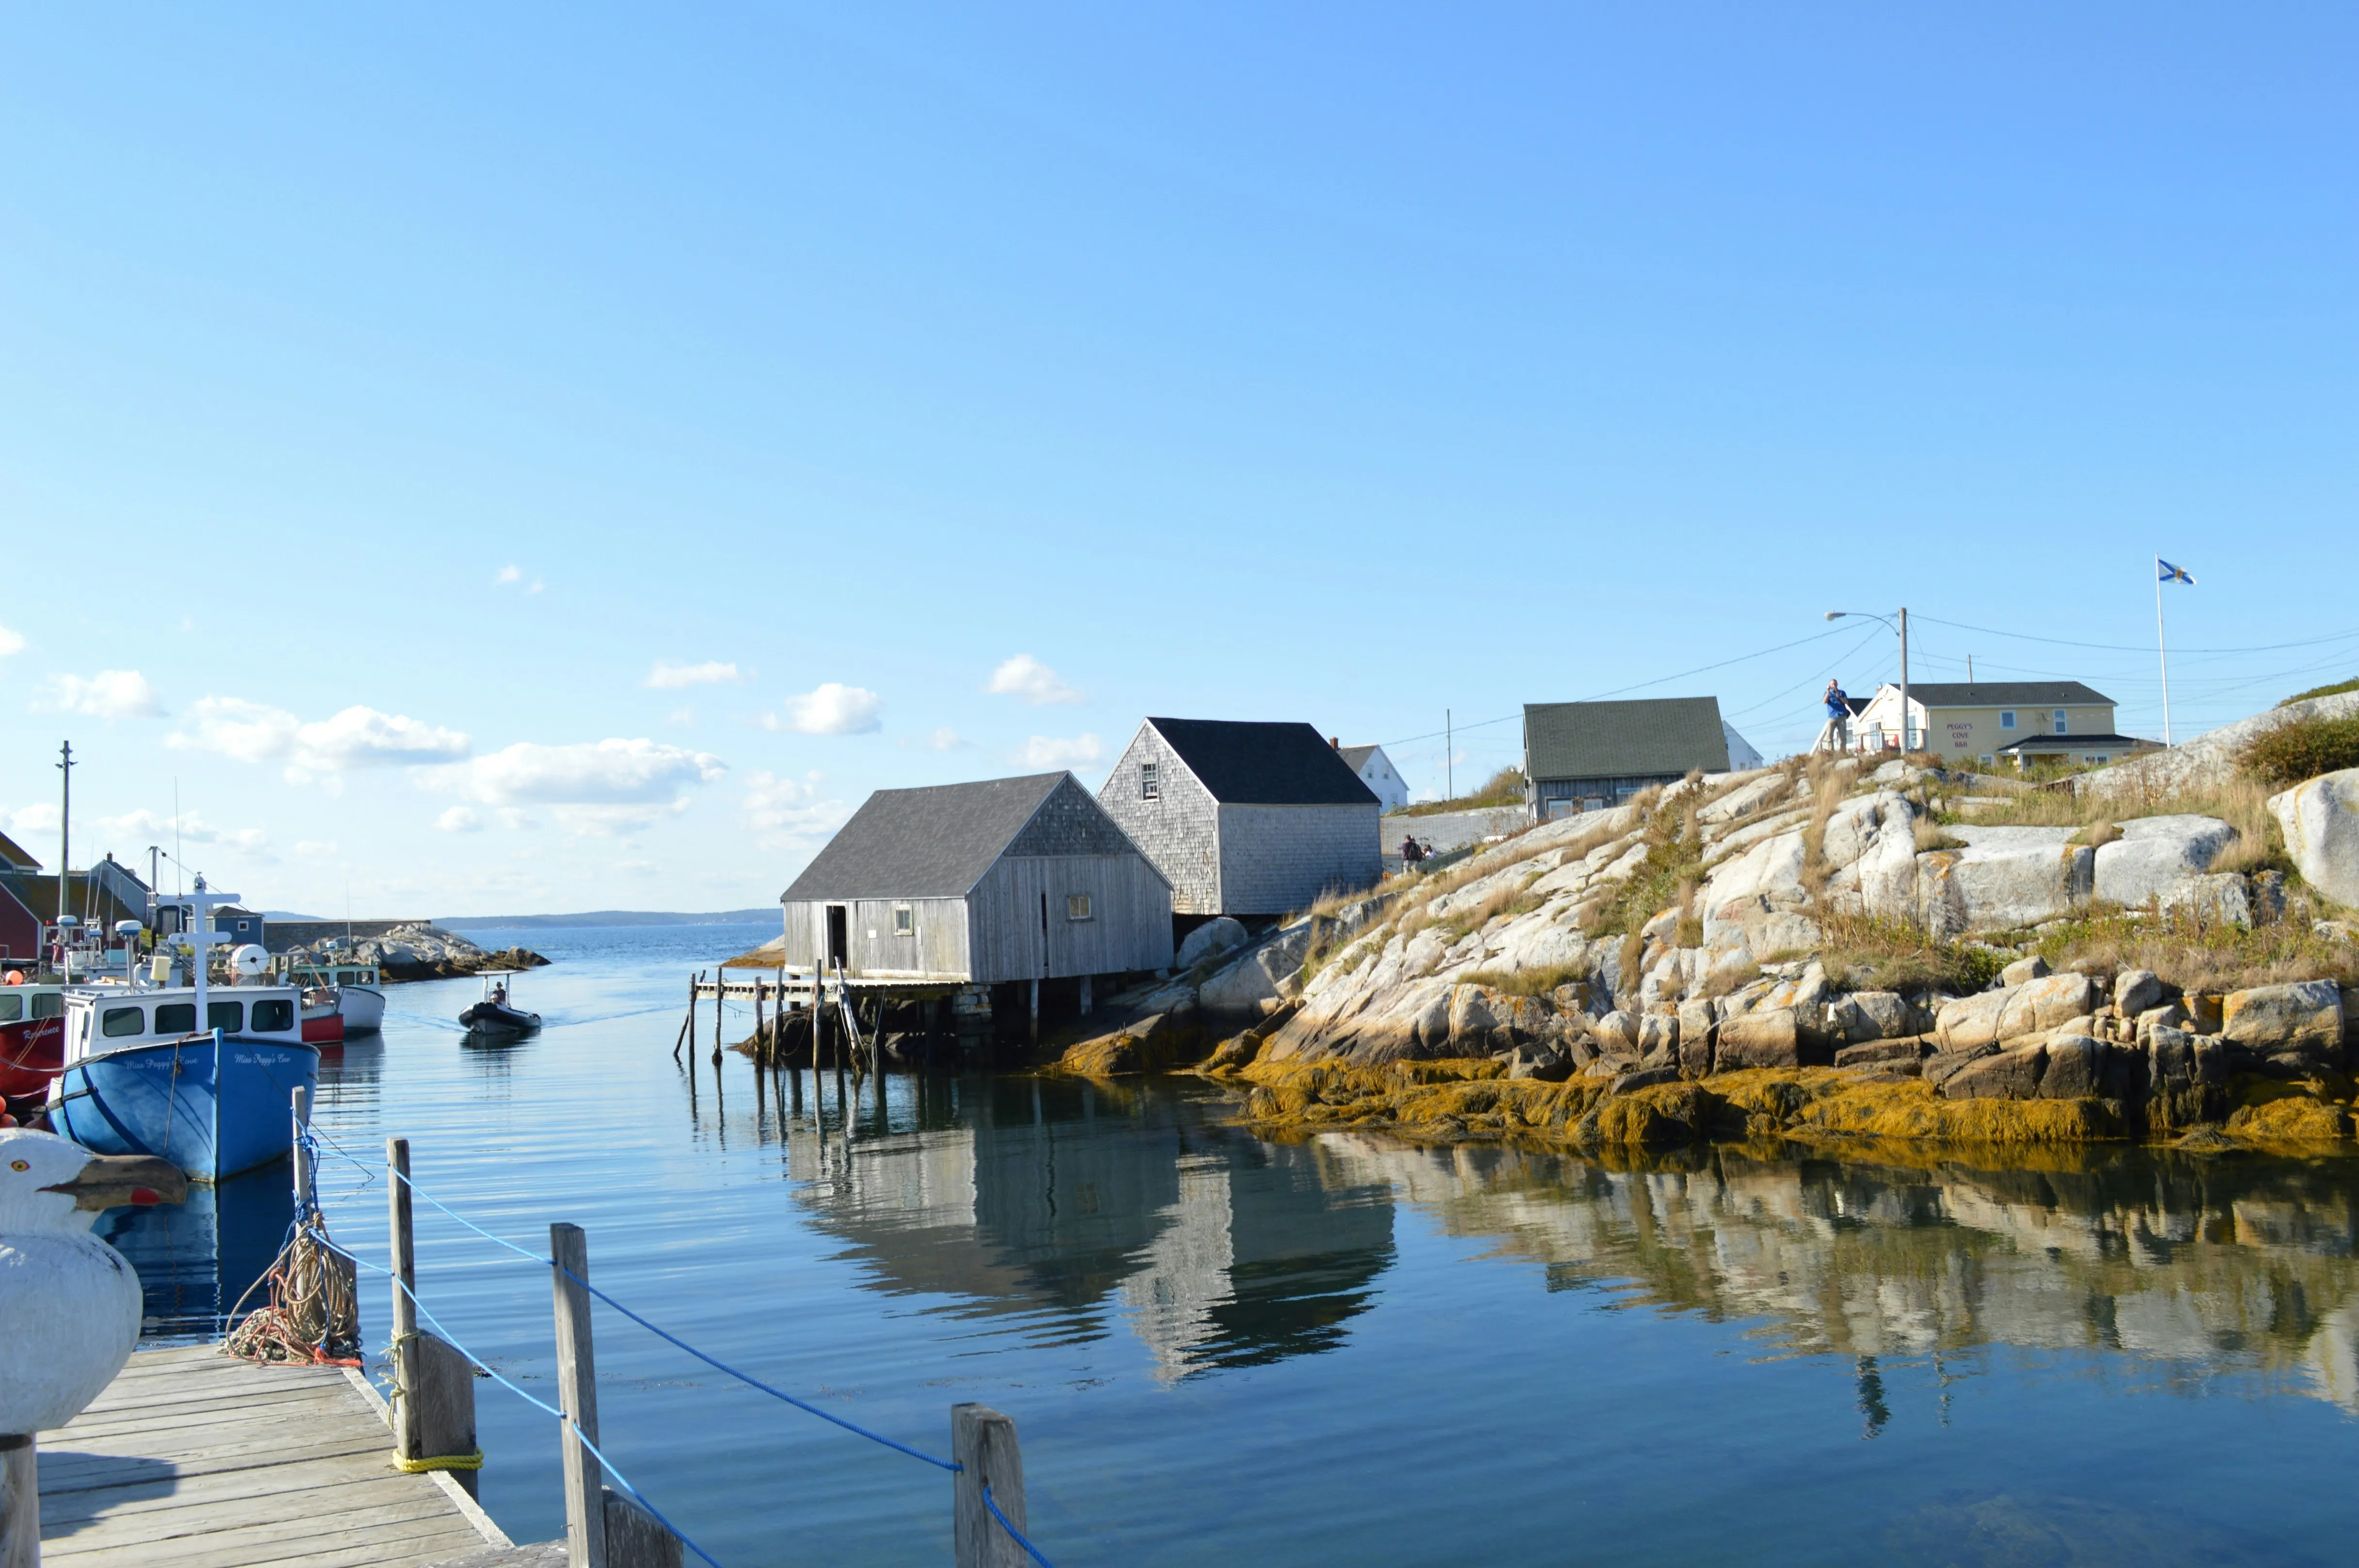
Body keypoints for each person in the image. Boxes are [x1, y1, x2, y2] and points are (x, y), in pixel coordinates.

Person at [1816, 681, 1851, 754]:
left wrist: (1838, 694)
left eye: (1835, 684)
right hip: (1832, 716)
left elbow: (1846, 702)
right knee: (1829, 735)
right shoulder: (1827, 694)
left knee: (1843, 736)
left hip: (1841, 716)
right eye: (1832, 684)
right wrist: (1828, 692)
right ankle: (1831, 752)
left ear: (1837, 684)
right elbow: (1824, 702)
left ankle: (1843, 752)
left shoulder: (1842, 693)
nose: (1834, 685)